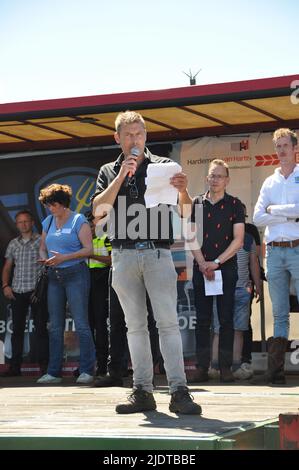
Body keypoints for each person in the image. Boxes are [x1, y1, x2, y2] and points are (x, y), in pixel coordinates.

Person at [92, 110, 201, 414]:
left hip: (157, 253)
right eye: (128, 134)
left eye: (139, 133)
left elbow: (184, 212)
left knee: (167, 324)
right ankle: (142, 391)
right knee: (134, 327)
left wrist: (182, 190)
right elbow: (98, 211)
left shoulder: (165, 166)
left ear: (146, 135)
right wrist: (120, 177)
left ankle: (180, 391)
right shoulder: (107, 170)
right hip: (123, 256)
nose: (135, 139)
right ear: (117, 138)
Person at [251, 128, 299, 385]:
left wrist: (276, 210)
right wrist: (291, 214)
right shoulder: (269, 181)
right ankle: (276, 372)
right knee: (280, 313)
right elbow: (258, 217)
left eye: (285, 145)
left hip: (298, 248)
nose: (281, 150)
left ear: (294, 149)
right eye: (277, 146)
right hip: (275, 250)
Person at [190, 159, 245, 383]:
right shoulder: (195, 203)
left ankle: (225, 367)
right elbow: (190, 236)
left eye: (219, 176)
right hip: (201, 268)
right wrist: (203, 263)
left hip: (226, 268)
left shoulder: (235, 205)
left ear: (227, 180)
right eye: (212, 175)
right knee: (202, 320)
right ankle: (202, 367)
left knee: (225, 319)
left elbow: (239, 240)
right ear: (207, 178)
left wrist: (217, 262)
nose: (215, 179)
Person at [36, 184, 96, 384]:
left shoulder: (79, 220)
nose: (50, 208)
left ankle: (87, 370)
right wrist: (45, 259)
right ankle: (53, 372)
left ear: (62, 203)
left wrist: (65, 257)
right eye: (47, 205)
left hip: (76, 273)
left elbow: (89, 250)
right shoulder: (48, 221)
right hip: (54, 275)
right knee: (55, 326)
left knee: (81, 323)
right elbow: (42, 247)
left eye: (52, 205)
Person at [1, 210, 49, 376]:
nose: (23, 224)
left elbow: (48, 264)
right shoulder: (13, 243)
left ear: (32, 222)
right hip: (18, 290)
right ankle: (15, 368)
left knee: (41, 328)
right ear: (16, 225)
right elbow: (7, 266)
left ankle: (45, 367)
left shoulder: (41, 240)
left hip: (36, 291)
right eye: (20, 222)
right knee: (17, 331)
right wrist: (5, 285)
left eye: (26, 221)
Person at [211, 231, 261, 380]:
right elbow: (253, 263)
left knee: (235, 329)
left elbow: (254, 263)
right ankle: (216, 366)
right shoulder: (221, 234)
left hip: (239, 288)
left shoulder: (247, 238)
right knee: (222, 329)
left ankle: (232, 365)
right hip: (223, 287)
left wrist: (257, 284)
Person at [86, 212, 112, 377]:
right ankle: (90, 364)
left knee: (101, 324)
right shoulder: (82, 240)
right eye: (89, 226)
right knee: (89, 324)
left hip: (102, 281)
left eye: (94, 226)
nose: (91, 229)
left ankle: (103, 364)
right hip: (86, 283)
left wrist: (90, 254)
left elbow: (111, 259)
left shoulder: (107, 238)